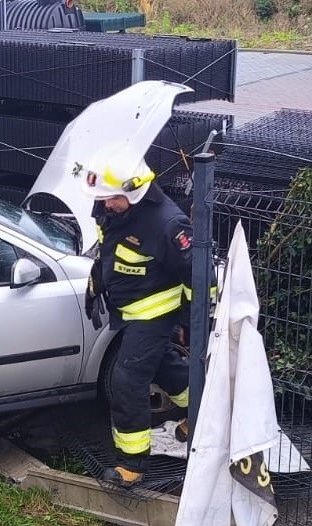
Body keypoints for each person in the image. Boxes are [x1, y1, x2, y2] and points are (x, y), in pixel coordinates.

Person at [81, 153, 195, 488]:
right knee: (165, 368)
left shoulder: (167, 224)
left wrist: (192, 323)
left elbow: (198, 277)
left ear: (133, 190)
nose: (104, 205)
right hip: (127, 309)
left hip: (155, 314)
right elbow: (108, 250)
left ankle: (132, 465)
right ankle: (204, 413)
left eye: (110, 198)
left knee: (127, 380)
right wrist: (95, 284)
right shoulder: (114, 209)